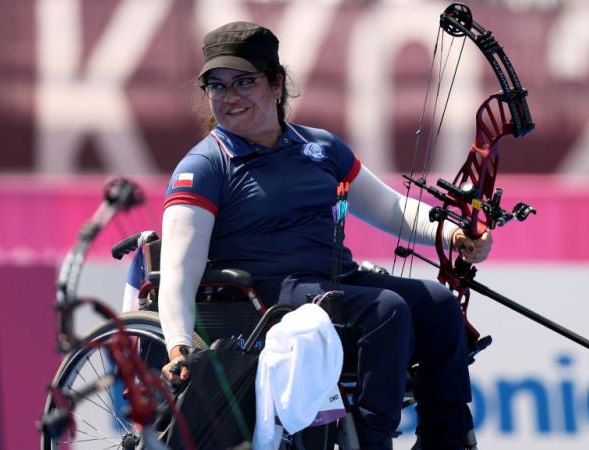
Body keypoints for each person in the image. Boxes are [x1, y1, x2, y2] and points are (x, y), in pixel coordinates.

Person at [158, 21, 492, 450]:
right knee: (386, 310)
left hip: (335, 283)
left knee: (438, 303)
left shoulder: (320, 146)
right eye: (217, 86)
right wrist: (179, 346)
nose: (230, 97)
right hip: (269, 299)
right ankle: (374, 442)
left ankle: (446, 440)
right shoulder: (204, 166)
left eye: (244, 81)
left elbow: (392, 208)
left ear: (277, 84)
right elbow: (179, 269)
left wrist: (455, 235)